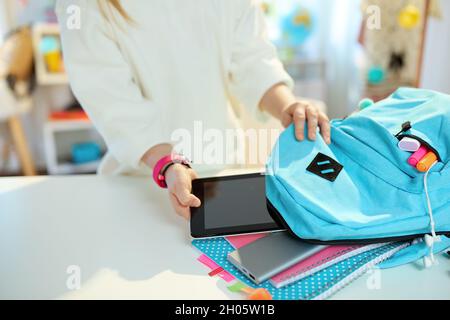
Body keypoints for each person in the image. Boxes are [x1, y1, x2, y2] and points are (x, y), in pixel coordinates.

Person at [56, 0, 331, 219]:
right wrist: (168, 163)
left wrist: (288, 105)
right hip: (142, 185)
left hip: (222, 177)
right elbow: (115, 103)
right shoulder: (84, 7)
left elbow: (253, 61)